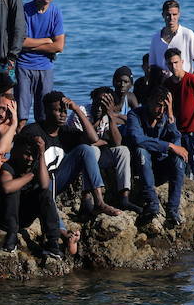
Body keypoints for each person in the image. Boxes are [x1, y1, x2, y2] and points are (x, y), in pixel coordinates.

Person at [21, 91, 124, 221]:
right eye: (58, 111)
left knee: (86, 149)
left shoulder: (65, 132)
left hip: (57, 180)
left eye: (65, 111)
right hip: (37, 184)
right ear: (46, 110)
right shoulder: (33, 131)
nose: (63, 115)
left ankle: (99, 202)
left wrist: (76, 109)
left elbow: (93, 138)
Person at [123, 85, 189, 226]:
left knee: (178, 159)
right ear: (149, 101)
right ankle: (152, 203)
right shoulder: (135, 115)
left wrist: (171, 116)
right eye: (159, 106)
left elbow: (177, 141)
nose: (161, 111)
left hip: (160, 167)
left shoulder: (167, 117)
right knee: (141, 150)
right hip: (141, 168)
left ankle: (172, 210)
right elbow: (137, 139)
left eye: (165, 107)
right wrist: (168, 146)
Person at [0, 132, 63, 258]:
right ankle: (12, 236)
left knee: (45, 194)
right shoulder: (9, 166)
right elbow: (6, 187)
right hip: (5, 217)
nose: (30, 159)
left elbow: (44, 185)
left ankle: (52, 242)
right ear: (17, 152)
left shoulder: (36, 164)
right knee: (14, 189)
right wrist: (30, 176)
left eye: (33, 155)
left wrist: (41, 154)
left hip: (24, 216)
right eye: (26, 154)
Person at [17, 0, 66, 124]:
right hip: (24, 66)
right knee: (21, 115)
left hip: (45, 67)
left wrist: (31, 45)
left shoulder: (55, 13)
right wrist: (45, 41)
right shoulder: (25, 10)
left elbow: (58, 46)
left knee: (45, 115)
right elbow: (20, 43)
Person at [165, 46, 194, 198]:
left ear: (182, 62)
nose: (174, 66)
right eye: (171, 63)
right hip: (178, 132)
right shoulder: (167, 84)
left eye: (176, 62)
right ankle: (185, 198)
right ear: (167, 65)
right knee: (181, 167)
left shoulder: (193, 81)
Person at [84, 86, 138, 211]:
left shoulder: (107, 115)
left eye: (103, 105)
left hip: (101, 154)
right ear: (92, 101)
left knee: (123, 150)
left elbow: (117, 142)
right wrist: (100, 140)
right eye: (96, 103)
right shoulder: (82, 112)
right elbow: (84, 141)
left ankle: (124, 197)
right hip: (82, 154)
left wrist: (110, 115)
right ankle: (87, 199)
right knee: (92, 150)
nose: (98, 108)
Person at [149, 0, 194, 79]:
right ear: (163, 15)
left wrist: (191, 82)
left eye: (174, 14)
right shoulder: (156, 38)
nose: (171, 18)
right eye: (168, 15)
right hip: (162, 86)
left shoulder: (187, 34)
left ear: (179, 15)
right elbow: (152, 65)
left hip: (182, 83)